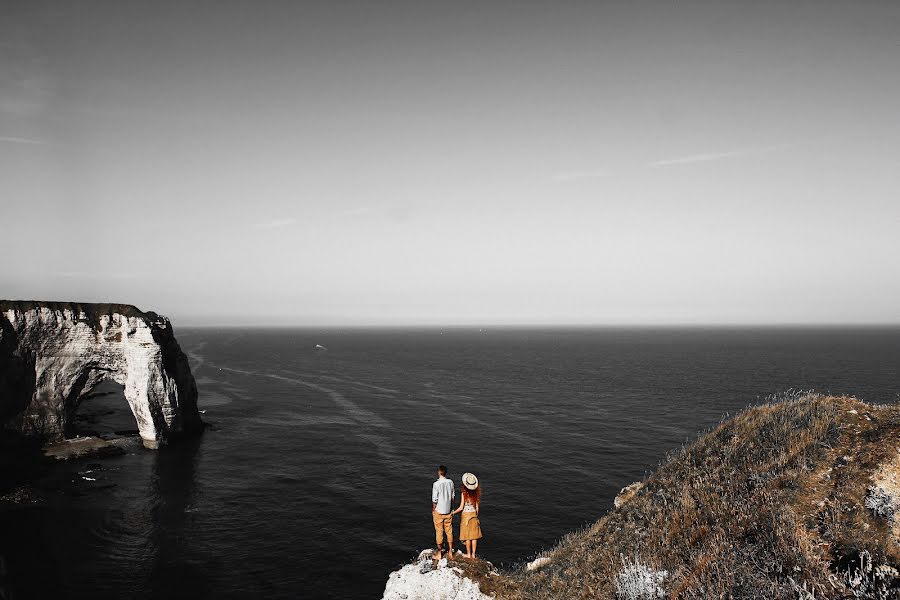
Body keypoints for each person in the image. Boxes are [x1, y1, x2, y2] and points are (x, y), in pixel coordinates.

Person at [452, 472, 482, 559]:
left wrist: (453, 512)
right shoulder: (476, 494)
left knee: (468, 537)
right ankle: (473, 554)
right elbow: (477, 508)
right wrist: (475, 516)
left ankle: (468, 555)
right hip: (474, 516)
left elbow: (461, 507)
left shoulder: (464, 494)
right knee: (474, 537)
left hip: (466, 516)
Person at [431, 465, 455, 560]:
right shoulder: (450, 482)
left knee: (439, 532)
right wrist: (452, 508)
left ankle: (439, 554)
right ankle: (450, 553)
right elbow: (453, 497)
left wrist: (433, 509)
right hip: (448, 511)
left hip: (439, 511)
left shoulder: (436, 484)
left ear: (439, 472)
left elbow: (434, 499)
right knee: (449, 532)